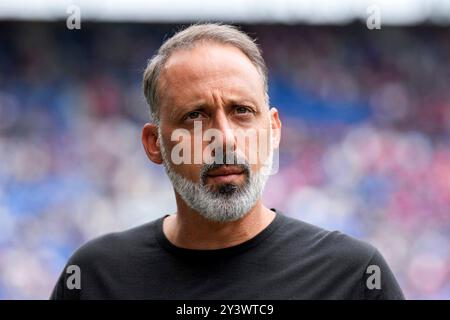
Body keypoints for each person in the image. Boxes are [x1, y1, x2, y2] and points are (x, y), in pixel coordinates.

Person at [50, 23, 404, 299]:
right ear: (153, 143)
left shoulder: (354, 277)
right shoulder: (95, 278)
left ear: (274, 129)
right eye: (194, 116)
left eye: (242, 111)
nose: (225, 139)